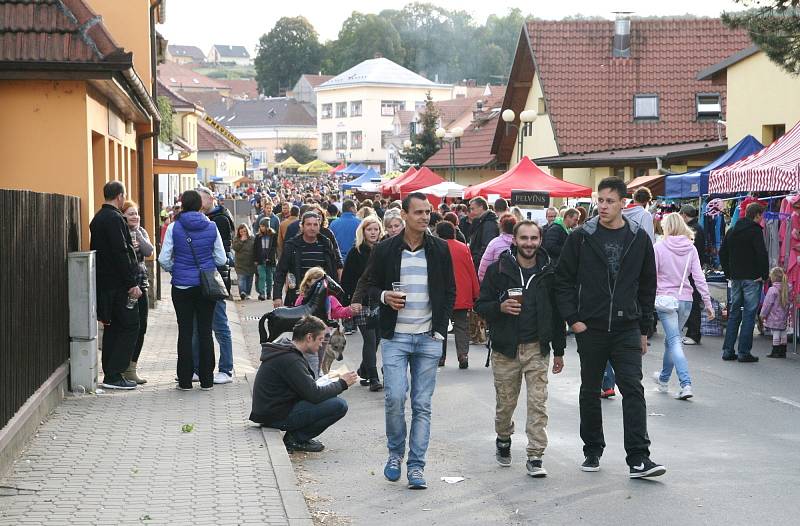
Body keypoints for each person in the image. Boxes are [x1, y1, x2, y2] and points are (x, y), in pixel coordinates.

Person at [555, 177, 665, 479]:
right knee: (590, 390)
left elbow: (647, 285)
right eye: (599, 200)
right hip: (590, 326)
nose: (602, 206)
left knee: (633, 389)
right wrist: (573, 319)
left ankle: (639, 458)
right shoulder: (580, 236)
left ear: (622, 203)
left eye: (609, 201)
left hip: (626, 326)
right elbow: (562, 280)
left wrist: (644, 329)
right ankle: (592, 449)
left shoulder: (638, 238)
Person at [353, 192, 456, 490]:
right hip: (396, 337)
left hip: (427, 338)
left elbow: (450, 290)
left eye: (428, 212)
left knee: (422, 404)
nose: (425, 217)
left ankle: (416, 466)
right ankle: (395, 454)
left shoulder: (439, 248)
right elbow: (369, 286)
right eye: (419, 212)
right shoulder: (385, 250)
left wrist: (440, 329)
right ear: (405, 215)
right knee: (395, 398)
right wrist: (385, 296)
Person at [475, 220, 566, 477]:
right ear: (514, 240)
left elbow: (558, 314)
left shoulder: (549, 272)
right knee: (506, 404)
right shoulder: (498, 270)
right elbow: (481, 304)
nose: (529, 243)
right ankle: (503, 438)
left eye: (533, 238)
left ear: (540, 241)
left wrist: (558, 350)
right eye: (523, 238)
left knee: (538, 403)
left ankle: (535, 455)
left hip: (537, 347)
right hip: (506, 349)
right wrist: (499, 307)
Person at [249, 316, 358, 452]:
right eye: (320, 339)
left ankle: (298, 436)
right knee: (339, 405)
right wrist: (342, 383)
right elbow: (314, 395)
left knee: (330, 398)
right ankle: (296, 439)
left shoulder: (287, 351)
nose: (321, 344)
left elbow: (306, 388)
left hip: (272, 410)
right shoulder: (291, 359)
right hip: (274, 416)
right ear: (309, 337)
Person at [158, 190, 227, 390]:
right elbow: (222, 259)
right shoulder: (211, 226)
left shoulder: (173, 227)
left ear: (182, 204)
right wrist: (206, 267)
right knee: (205, 331)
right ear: (200, 206)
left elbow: (163, 259)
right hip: (206, 287)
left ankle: (186, 380)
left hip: (182, 286)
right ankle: (207, 380)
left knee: (185, 332)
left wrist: (176, 269)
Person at [652, 213, 715, 400]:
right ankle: (663, 379)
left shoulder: (659, 247)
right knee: (672, 340)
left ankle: (685, 383)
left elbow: (652, 276)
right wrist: (708, 303)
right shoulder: (691, 248)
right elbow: (699, 278)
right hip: (686, 299)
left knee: (674, 341)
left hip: (665, 300)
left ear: (667, 227)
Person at [90, 182, 141, 390]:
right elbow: (121, 252)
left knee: (113, 327)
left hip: (104, 282)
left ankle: (111, 372)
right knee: (130, 324)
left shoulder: (98, 218)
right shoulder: (114, 218)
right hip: (118, 284)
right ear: (120, 197)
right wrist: (131, 283)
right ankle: (114, 374)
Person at [719, 202, 768, 362]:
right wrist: (764, 274)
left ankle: (728, 350)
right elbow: (761, 253)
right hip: (752, 278)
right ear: (757, 215)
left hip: (736, 278)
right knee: (749, 315)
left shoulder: (732, 231)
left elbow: (722, 252)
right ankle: (744, 352)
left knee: (734, 313)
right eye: (762, 216)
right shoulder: (755, 231)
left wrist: (728, 272)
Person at [196, 187, 235, 385]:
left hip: (216, 279)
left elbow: (220, 254)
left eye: (201, 200)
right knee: (198, 326)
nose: (198, 205)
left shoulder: (219, 219)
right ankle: (196, 367)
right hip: (204, 278)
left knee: (220, 326)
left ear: (211, 199)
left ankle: (226, 369)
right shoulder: (211, 216)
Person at [342, 216, 385, 391]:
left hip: (380, 302)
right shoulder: (356, 252)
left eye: (375, 229)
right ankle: (374, 378)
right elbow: (347, 280)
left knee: (376, 340)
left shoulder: (384, 249)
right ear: (363, 232)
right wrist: (350, 303)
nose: (373, 232)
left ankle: (363, 370)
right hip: (361, 302)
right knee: (370, 339)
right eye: (369, 229)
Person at [435, 221, 479, 369]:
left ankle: (441, 356)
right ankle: (463, 355)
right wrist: (475, 292)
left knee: (441, 324)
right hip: (462, 292)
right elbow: (471, 270)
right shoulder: (463, 248)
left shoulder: (436, 247)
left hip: (441, 292)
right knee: (461, 325)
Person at [274, 211, 340, 308]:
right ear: (302, 226)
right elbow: (280, 271)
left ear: (319, 226)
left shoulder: (326, 243)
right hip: (298, 296)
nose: (312, 228)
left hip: (322, 296)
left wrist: (335, 295)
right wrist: (277, 296)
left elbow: (333, 270)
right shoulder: (292, 245)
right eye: (308, 224)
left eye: (315, 225)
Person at [120, 200, 154, 385]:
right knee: (129, 327)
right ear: (123, 215)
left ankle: (132, 368)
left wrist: (139, 235)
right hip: (128, 286)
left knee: (142, 327)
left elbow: (149, 251)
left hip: (143, 283)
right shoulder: (121, 232)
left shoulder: (141, 232)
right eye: (130, 213)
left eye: (136, 213)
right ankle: (123, 367)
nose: (134, 216)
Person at [679, 204, 708, 346]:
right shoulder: (697, 227)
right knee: (692, 302)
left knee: (693, 303)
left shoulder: (693, 229)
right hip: (692, 270)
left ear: (684, 215)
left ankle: (694, 333)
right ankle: (692, 332)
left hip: (691, 271)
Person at [760, 267, 792, 359]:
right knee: (783, 332)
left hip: (774, 316)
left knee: (776, 332)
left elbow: (767, 304)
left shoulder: (772, 290)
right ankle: (783, 351)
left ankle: (775, 351)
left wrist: (763, 314)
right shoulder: (787, 288)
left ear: (772, 278)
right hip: (784, 315)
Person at [478, 215, 517, 283]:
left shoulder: (494, 243)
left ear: (501, 226)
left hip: (496, 283)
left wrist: (483, 281)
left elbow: (484, 266)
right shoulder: (520, 243)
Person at [468, 197, 500, 273]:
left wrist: (476, 261)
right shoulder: (481, 221)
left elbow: (486, 245)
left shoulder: (489, 223)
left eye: (473, 209)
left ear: (481, 207)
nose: (471, 212)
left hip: (482, 265)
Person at [253, 218, 278, 301]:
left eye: (263, 226)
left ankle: (268, 293)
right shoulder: (258, 236)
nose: (261, 228)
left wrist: (272, 258)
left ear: (267, 226)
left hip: (270, 260)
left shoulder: (273, 235)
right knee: (262, 277)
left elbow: (274, 248)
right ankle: (262, 293)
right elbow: (255, 249)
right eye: (260, 226)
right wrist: (255, 259)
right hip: (261, 260)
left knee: (269, 278)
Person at [232, 223, 257, 300]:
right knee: (241, 279)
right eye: (241, 232)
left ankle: (248, 293)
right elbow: (235, 248)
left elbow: (256, 249)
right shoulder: (236, 239)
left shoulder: (252, 238)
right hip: (240, 264)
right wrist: (241, 241)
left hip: (250, 263)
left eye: (245, 231)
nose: (243, 233)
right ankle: (242, 292)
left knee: (249, 279)